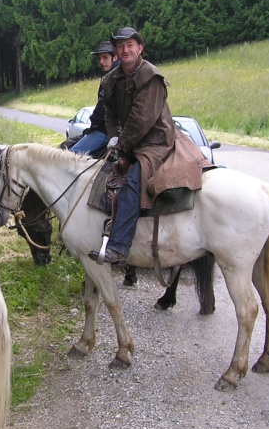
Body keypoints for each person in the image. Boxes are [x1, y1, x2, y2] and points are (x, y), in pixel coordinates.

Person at [87, 27, 207, 266]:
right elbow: (108, 113)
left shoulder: (150, 76)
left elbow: (142, 119)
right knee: (99, 175)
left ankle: (119, 247)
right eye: (120, 46)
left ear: (140, 48)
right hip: (129, 142)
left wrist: (121, 145)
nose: (125, 50)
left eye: (130, 45)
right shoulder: (111, 79)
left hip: (155, 142)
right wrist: (112, 137)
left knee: (132, 182)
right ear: (116, 51)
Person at [70, 41, 120, 156]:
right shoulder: (120, 73)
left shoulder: (112, 77)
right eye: (99, 58)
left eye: (105, 57)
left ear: (115, 57)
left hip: (108, 131)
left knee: (72, 155)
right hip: (120, 129)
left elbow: (102, 107)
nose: (101, 62)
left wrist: (94, 123)